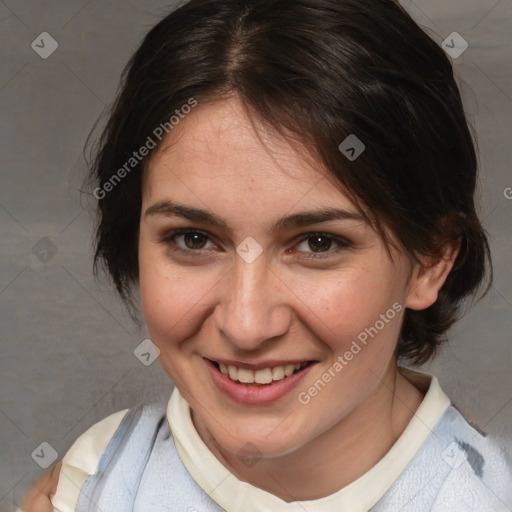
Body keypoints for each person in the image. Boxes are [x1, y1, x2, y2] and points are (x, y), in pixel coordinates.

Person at [18, 0, 512, 510]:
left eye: (319, 243)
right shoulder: (91, 484)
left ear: (430, 260)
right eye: (193, 238)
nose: (246, 325)